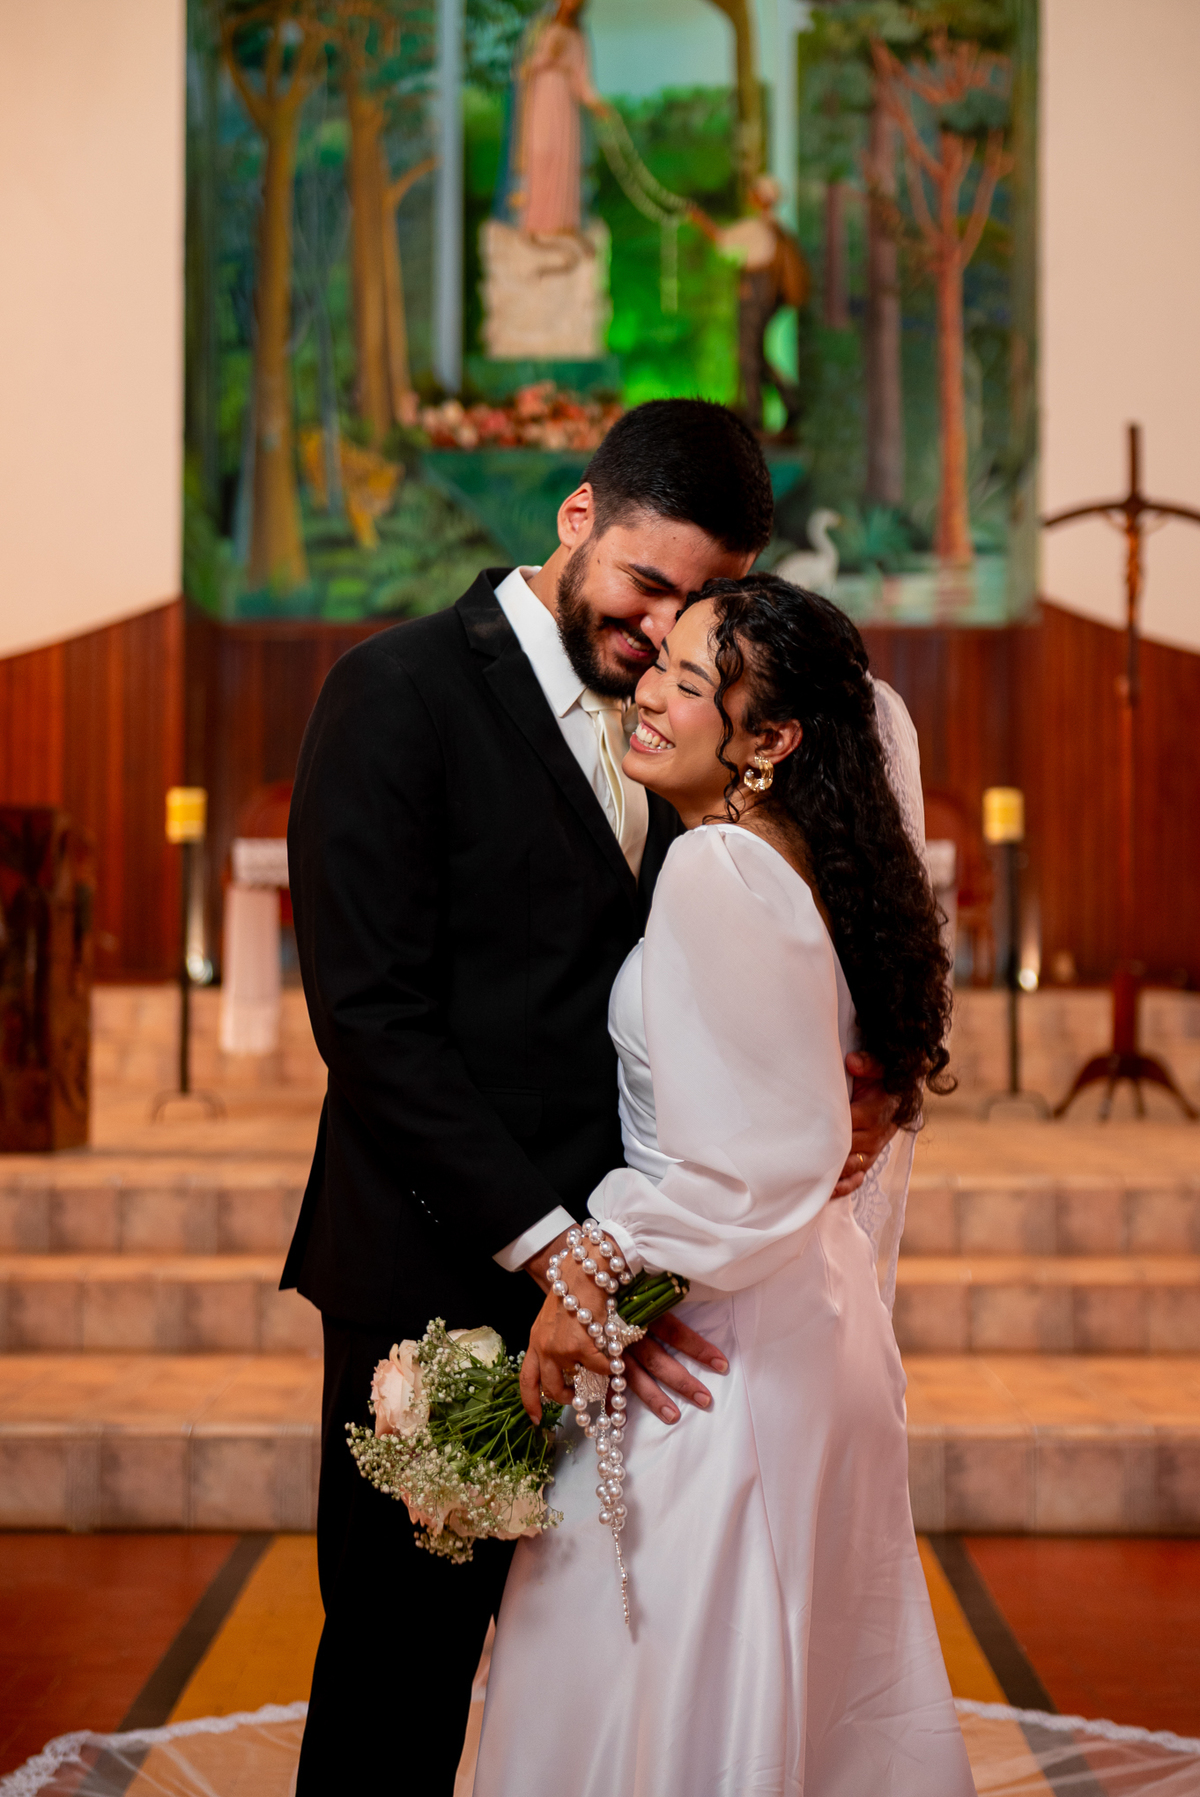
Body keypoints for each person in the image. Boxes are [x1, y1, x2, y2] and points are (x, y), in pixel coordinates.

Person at [283, 402, 898, 1795]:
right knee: (398, 1676)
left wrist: (849, 1079)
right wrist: (566, 1249)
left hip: (628, 1307)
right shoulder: (398, 690)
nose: (662, 627)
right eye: (649, 583)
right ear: (577, 520)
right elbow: (371, 1022)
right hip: (442, 1274)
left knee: (592, 1686)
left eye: (700, 604)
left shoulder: (687, 745)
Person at [475, 575, 973, 1796]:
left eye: (693, 683)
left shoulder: (716, 875)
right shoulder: (808, 866)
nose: (649, 690)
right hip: (805, 1324)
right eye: (660, 665)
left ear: (771, 740)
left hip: (724, 1361)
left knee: (656, 1689)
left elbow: (751, 1166)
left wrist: (587, 1277)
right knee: (802, 1688)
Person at [690, 174, 810, 434]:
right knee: (754, 353)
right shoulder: (773, 227)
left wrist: (699, 220)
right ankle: (785, 402)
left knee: (748, 353)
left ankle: (757, 415)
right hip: (764, 294)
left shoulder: (758, 228)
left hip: (756, 293)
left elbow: (722, 240)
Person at [510, 0, 608, 240]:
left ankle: (563, 222)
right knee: (541, 154)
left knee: (563, 158)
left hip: (565, 103)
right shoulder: (542, 27)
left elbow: (582, 78)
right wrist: (547, 57)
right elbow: (525, 67)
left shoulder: (578, 35)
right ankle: (537, 223)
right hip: (542, 96)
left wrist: (595, 103)